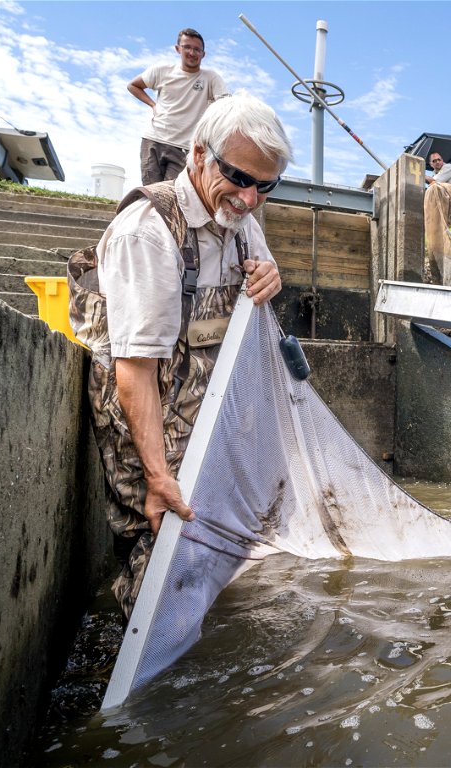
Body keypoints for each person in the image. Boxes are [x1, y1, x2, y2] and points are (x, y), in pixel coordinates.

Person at [69, 92, 292, 619]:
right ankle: (130, 678)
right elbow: (135, 371)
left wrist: (272, 276)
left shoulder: (242, 217)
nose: (250, 198)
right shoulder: (148, 231)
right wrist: (156, 477)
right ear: (197, 154)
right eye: (239, 177)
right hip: (144, 414)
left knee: (218, 545)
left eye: (266, 186)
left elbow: (260, 277)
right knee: (163, 551)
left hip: (203, 413)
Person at [128, 28, 230, 185]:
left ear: (203, 54)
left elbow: (225, 104)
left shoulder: (211, 78)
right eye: (187, 47)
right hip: (154, 139)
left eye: (197, 49)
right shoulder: (162, 71)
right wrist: (153, 104)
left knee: (173, 195)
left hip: (185, 147)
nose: (192, 53)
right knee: (150, 192)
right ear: (178, 49)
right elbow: (133, 85)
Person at [423, 151, 451, 287]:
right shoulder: (436, 173)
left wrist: (419, 174)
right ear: (431, 164)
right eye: (435, 161)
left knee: (435, 188)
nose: (438, 162)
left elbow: (433, 183)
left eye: (439, 159)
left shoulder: (448, 168)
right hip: (446, 197)